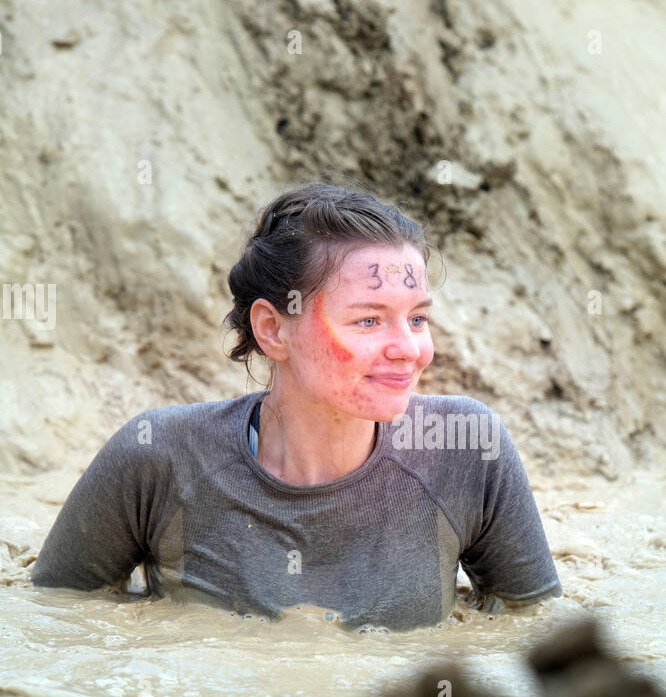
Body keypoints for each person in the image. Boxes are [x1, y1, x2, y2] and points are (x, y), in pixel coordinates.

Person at [30, 183, 563, 631]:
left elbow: (531, 634)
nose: (411, 349)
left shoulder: (468, 446)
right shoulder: (158, 456)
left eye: (418, 318)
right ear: (272, 329)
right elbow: (54, 625)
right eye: (369, 320)